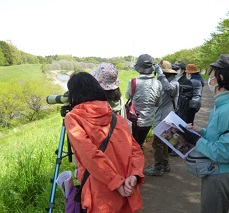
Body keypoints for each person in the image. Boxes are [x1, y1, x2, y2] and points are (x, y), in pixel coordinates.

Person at [178, 54, 229, 213]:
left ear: (221, 78)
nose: (209, 78)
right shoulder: (226, 104)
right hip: (217, 170)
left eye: (211, 74)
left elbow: (225, 152)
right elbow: (222, 135)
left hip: (221, 174)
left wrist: (196, 140)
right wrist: (201, 131)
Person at [65, 72, 145, 213]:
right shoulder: (117, 118)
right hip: (127, 189)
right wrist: (134, 175)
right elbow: (136, 150)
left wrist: (116, 183)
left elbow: (90, 155)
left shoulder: (73, 118)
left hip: (101, 194)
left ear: (74, 94)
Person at [143, 60, 179, 176]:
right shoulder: (163, 82)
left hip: (166, 118)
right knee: (164, 142)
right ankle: (164, 164)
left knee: (157, 144)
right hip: (160, 117)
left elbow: (169, 89)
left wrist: (160, 74)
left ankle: (158, 168)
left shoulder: (174, 83)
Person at [125, 54, 162, 150]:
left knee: (133, 144)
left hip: (135, 120)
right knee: (140, 142)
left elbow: (127, 96)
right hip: (149, 121)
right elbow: (158, 103)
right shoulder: (158, 83)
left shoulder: (133, 82)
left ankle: (135, 161)